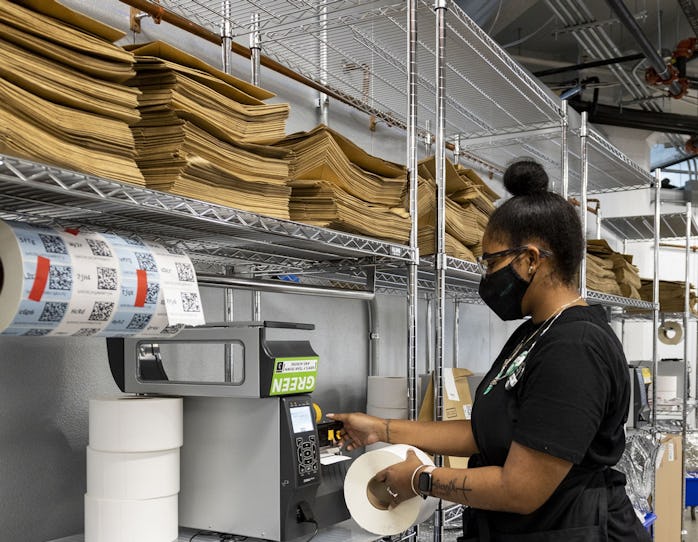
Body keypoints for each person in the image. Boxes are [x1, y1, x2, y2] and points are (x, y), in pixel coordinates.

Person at [328, 159, 650, 541]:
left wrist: (420, 479)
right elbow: (489, 433)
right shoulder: (536, 332)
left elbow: (520, 489)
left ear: (530, 260)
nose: (486, 277)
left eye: (491, 262)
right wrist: (382, 429)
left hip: (569, 529)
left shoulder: (575, 348)